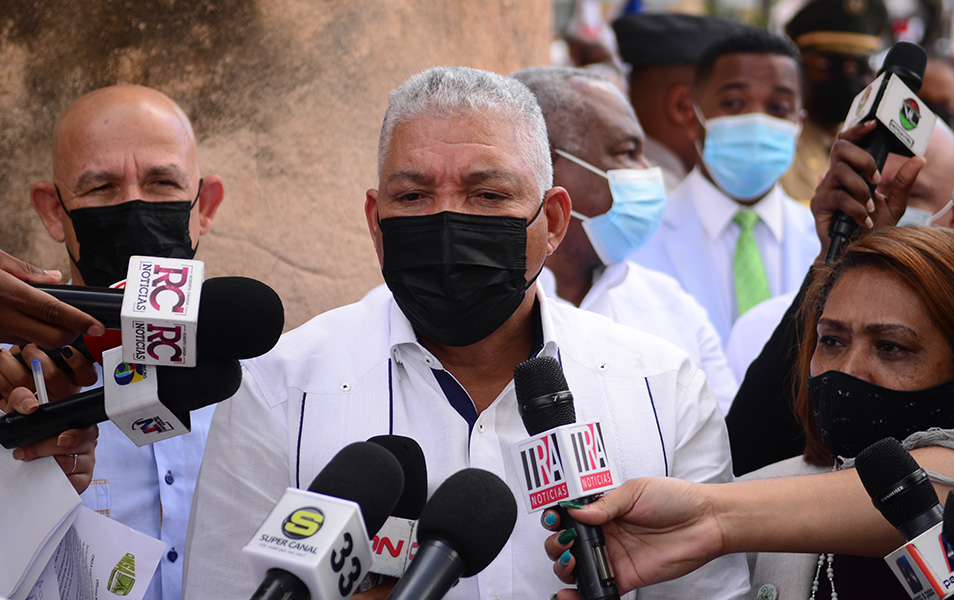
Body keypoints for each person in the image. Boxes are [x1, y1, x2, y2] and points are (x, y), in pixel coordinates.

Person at [184, 66, 749, 600]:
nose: (448, 223)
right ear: (376, 223)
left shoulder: (663, 391)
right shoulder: (278, 390)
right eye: (414, 196)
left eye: (488, 195)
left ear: (553, 221)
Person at [543, 226, 954, 597]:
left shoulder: (743, 512)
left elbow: (937, 485)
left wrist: (709, 518)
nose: (848, 370)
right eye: (831, 341)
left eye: (891, 347)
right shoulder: (766, 492)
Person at [2, 84, 225, 600]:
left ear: (205, 205)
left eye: (162, 182)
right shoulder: (10, 387)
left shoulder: (269, 381)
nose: (134, 207)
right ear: (53, 211)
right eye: (101, 187)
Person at [512, 65, 738, 413]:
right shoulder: (489, 313)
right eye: (627, 152)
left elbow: (725, 434)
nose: (647, 172)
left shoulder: (673, 307)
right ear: (547, 163)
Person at [725, 119, 954, 387]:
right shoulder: (763, 328)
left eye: (909, 194)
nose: (875, 206)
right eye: (832, 342)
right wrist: (835, 260)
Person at [631, 27, 819, 344]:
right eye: (733, 103)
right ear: (691, 118)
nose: (756, 121)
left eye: (778, 107)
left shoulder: (822, 242)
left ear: (798, 126)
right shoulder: (641, 240)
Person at [611, 12, 739, 190]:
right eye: (733, 103)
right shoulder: (663, 196)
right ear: (683, 107)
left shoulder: (623, 183)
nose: (747, 119)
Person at [780, 0, 890, 203]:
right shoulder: (778, 144)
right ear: (798, 65)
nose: (848, 77)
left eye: (860, 68)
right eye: (831, 65)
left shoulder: (873, 147)